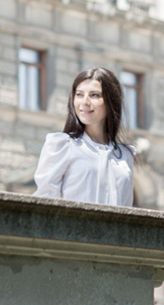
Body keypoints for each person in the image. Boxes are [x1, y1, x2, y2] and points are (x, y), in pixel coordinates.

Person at [33, 67, 135, 206]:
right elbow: (44, 202)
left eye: (94, 95)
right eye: (79, 94)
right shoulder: (62, 146)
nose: (84, 102)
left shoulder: (124, 155)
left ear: (111, 101)